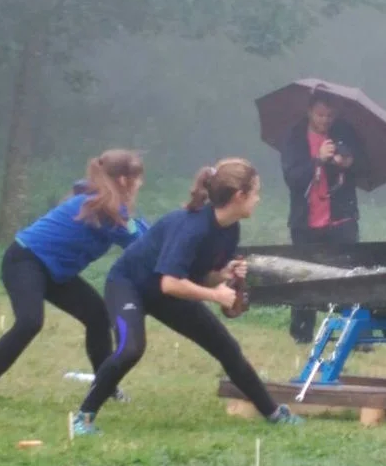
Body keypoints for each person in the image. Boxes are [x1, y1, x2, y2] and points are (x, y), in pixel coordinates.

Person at [70, 158, 303, 435]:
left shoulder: (230, 228)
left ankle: (274, 414)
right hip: (128, 285)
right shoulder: (192, 227)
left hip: (166, 291)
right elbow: (170, 283)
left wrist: (223, 274)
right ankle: (83, 418)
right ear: (239, 196)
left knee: (226, 347)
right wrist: (215, 295)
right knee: (130, 349)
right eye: (255, 192)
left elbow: (199, 276)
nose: (258, 199)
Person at [0, 150, 147, 413]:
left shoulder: (107, 205)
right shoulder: (104, 208)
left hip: (56, 272)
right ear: (125, 180)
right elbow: (142, 243)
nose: (141, 184)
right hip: (25, 261)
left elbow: (141, 236)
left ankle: (105, 387)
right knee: (29, 322)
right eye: (138, 178)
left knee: (97, 316)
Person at [281, 88, 365, 344]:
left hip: (341, 219)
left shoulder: (345, 132)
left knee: (348, 276)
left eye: (330, 115)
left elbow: (362, 168)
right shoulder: (295, 137)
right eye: (320, 115)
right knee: (303, 276)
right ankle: (302, 333)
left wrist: (347, 164)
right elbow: (292, 179)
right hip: (306, 221)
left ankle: (350, 334)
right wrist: (317, 160)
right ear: (309, 112)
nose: (325, 120)